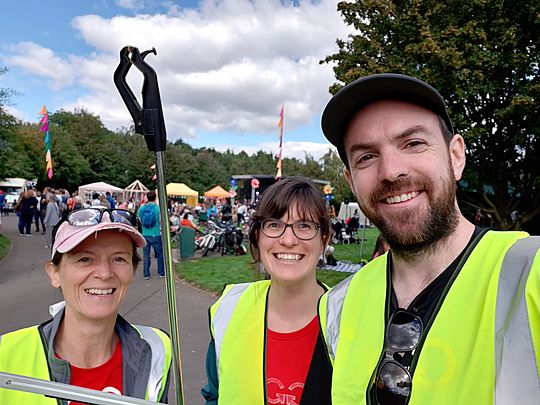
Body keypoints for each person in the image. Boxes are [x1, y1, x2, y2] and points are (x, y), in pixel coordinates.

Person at [318, 73, 540, 404]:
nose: (390, 171)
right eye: (366, 156)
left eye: (413, 143)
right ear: (351, 181)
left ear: (456, 157)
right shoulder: (337, 304)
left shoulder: (529, 272)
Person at [0, 207, 171, 403]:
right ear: (54, 273)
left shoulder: (156, 349)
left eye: (119, 259)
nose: (105, 273)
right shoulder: (5, 354)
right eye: (85, 259)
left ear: (133, 271)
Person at [201, 177, 333, 404]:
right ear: (257, 237)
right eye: (274, 225)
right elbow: (215, 394)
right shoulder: (228, 311)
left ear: (323, 240)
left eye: (304, 225)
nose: (288, 240)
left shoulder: (348, 318)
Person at [138, 190, 165, 280]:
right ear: (155, 197)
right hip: (155, 234)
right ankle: (161, 272)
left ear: (147, 197)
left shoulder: (142, 208)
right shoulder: (157, 208)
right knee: (159, 254)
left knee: (146, 255)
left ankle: (146, 274)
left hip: (145, 234)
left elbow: (140, 219)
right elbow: (161, 220)